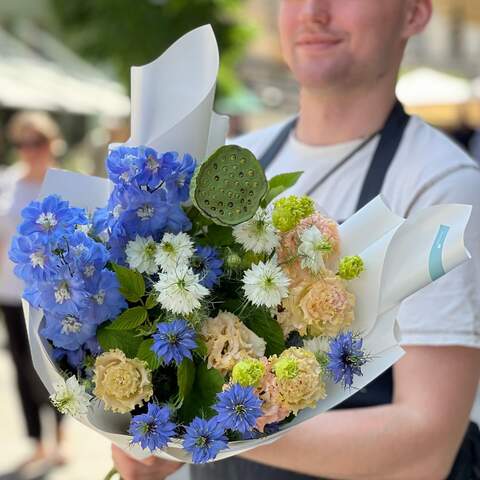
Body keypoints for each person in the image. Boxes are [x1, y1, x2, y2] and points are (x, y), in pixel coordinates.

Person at [112, 1, 480, 478]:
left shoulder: (441, 185)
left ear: (414, 13)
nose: (312, 11)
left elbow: (426, 445)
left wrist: (193, 435)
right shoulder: (238, 162)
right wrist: (152, 450)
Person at [0, 111, 66, 474]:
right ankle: (38, 442)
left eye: (36, 142)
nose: (29, 150)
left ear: (51, 143)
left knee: (57, 367)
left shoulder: (61, 182)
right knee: (23, 370)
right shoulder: (6, 182)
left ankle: (62, 434)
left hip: (55, 294)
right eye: (22, 143)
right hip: (10, 291)